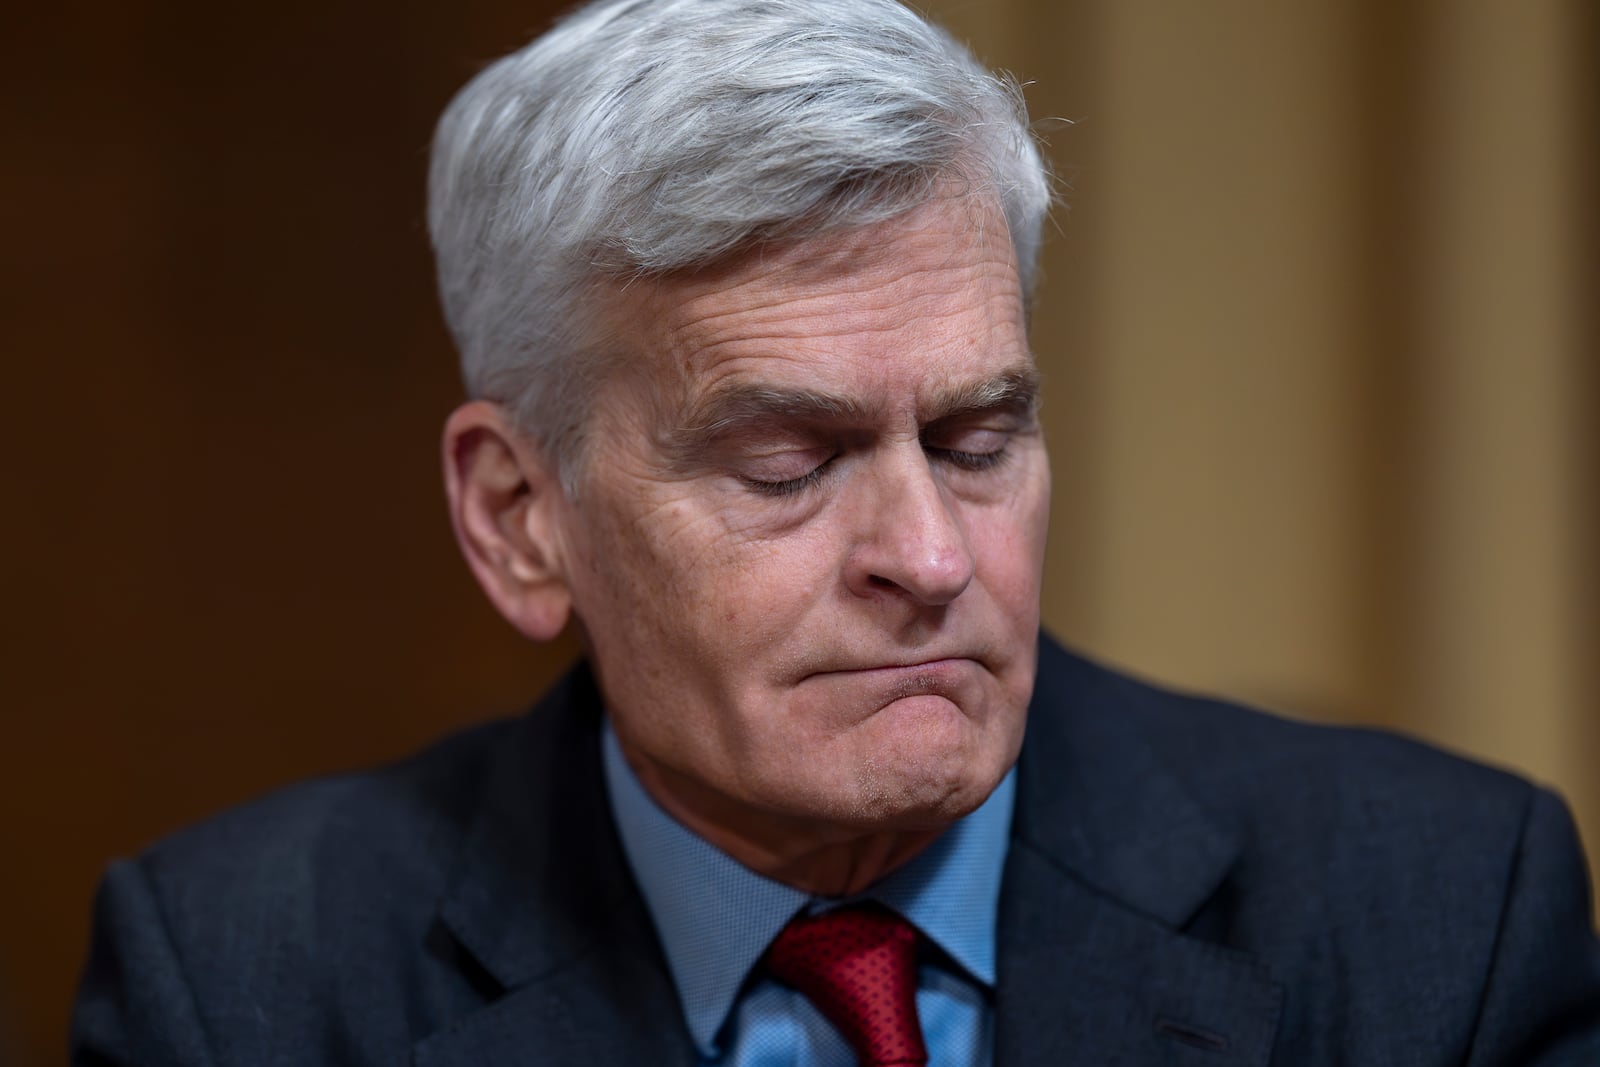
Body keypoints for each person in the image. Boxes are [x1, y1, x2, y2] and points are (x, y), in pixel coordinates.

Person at [72, 0, 1600, 1063]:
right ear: (520, 518)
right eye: (787, 466)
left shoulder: (1438, 910)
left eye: (977, 440)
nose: (932, 560)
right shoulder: (243, 979)